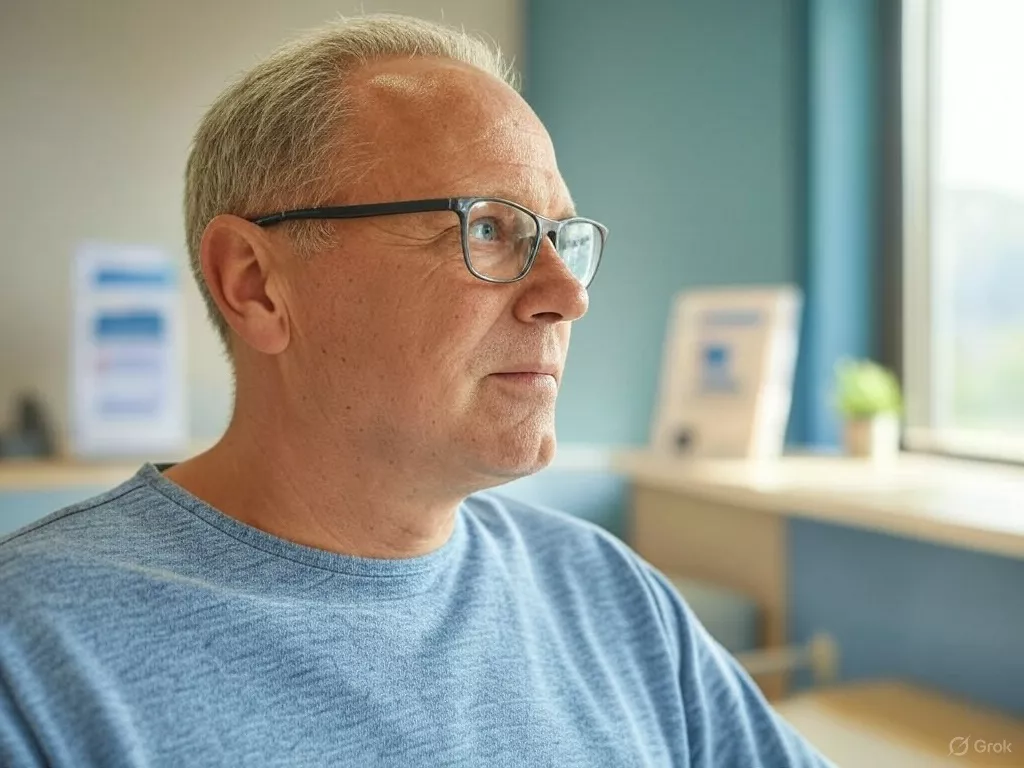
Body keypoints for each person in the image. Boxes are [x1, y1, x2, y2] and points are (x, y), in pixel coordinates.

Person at [0, 14, 833, 767]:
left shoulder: (608, 593)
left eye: (560, 239)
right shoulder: (34, 663)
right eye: (488, 228)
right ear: (255, 284)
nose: (566, 296)